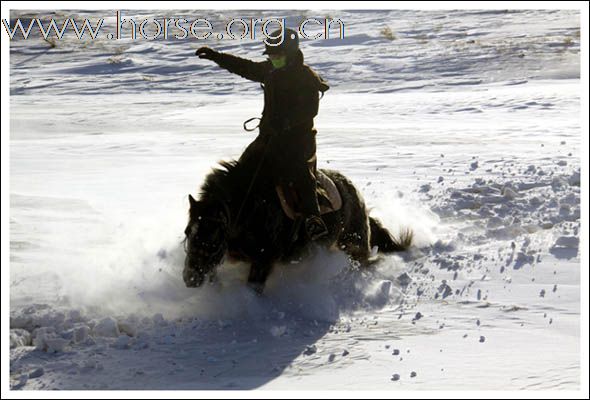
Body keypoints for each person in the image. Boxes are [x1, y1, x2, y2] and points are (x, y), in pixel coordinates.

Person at [195, 28, 330, 240]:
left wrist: (286, 123)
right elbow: (244, 67)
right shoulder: (270, 71)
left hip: (298, 142)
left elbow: (310, 110)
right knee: (241, 171)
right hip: (268, 139)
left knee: (301, 174)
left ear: (291, 54)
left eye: (278, 56)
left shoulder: (306, 77)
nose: (274, 59)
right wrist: (216, 56)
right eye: (271, 56)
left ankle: (313, 219)